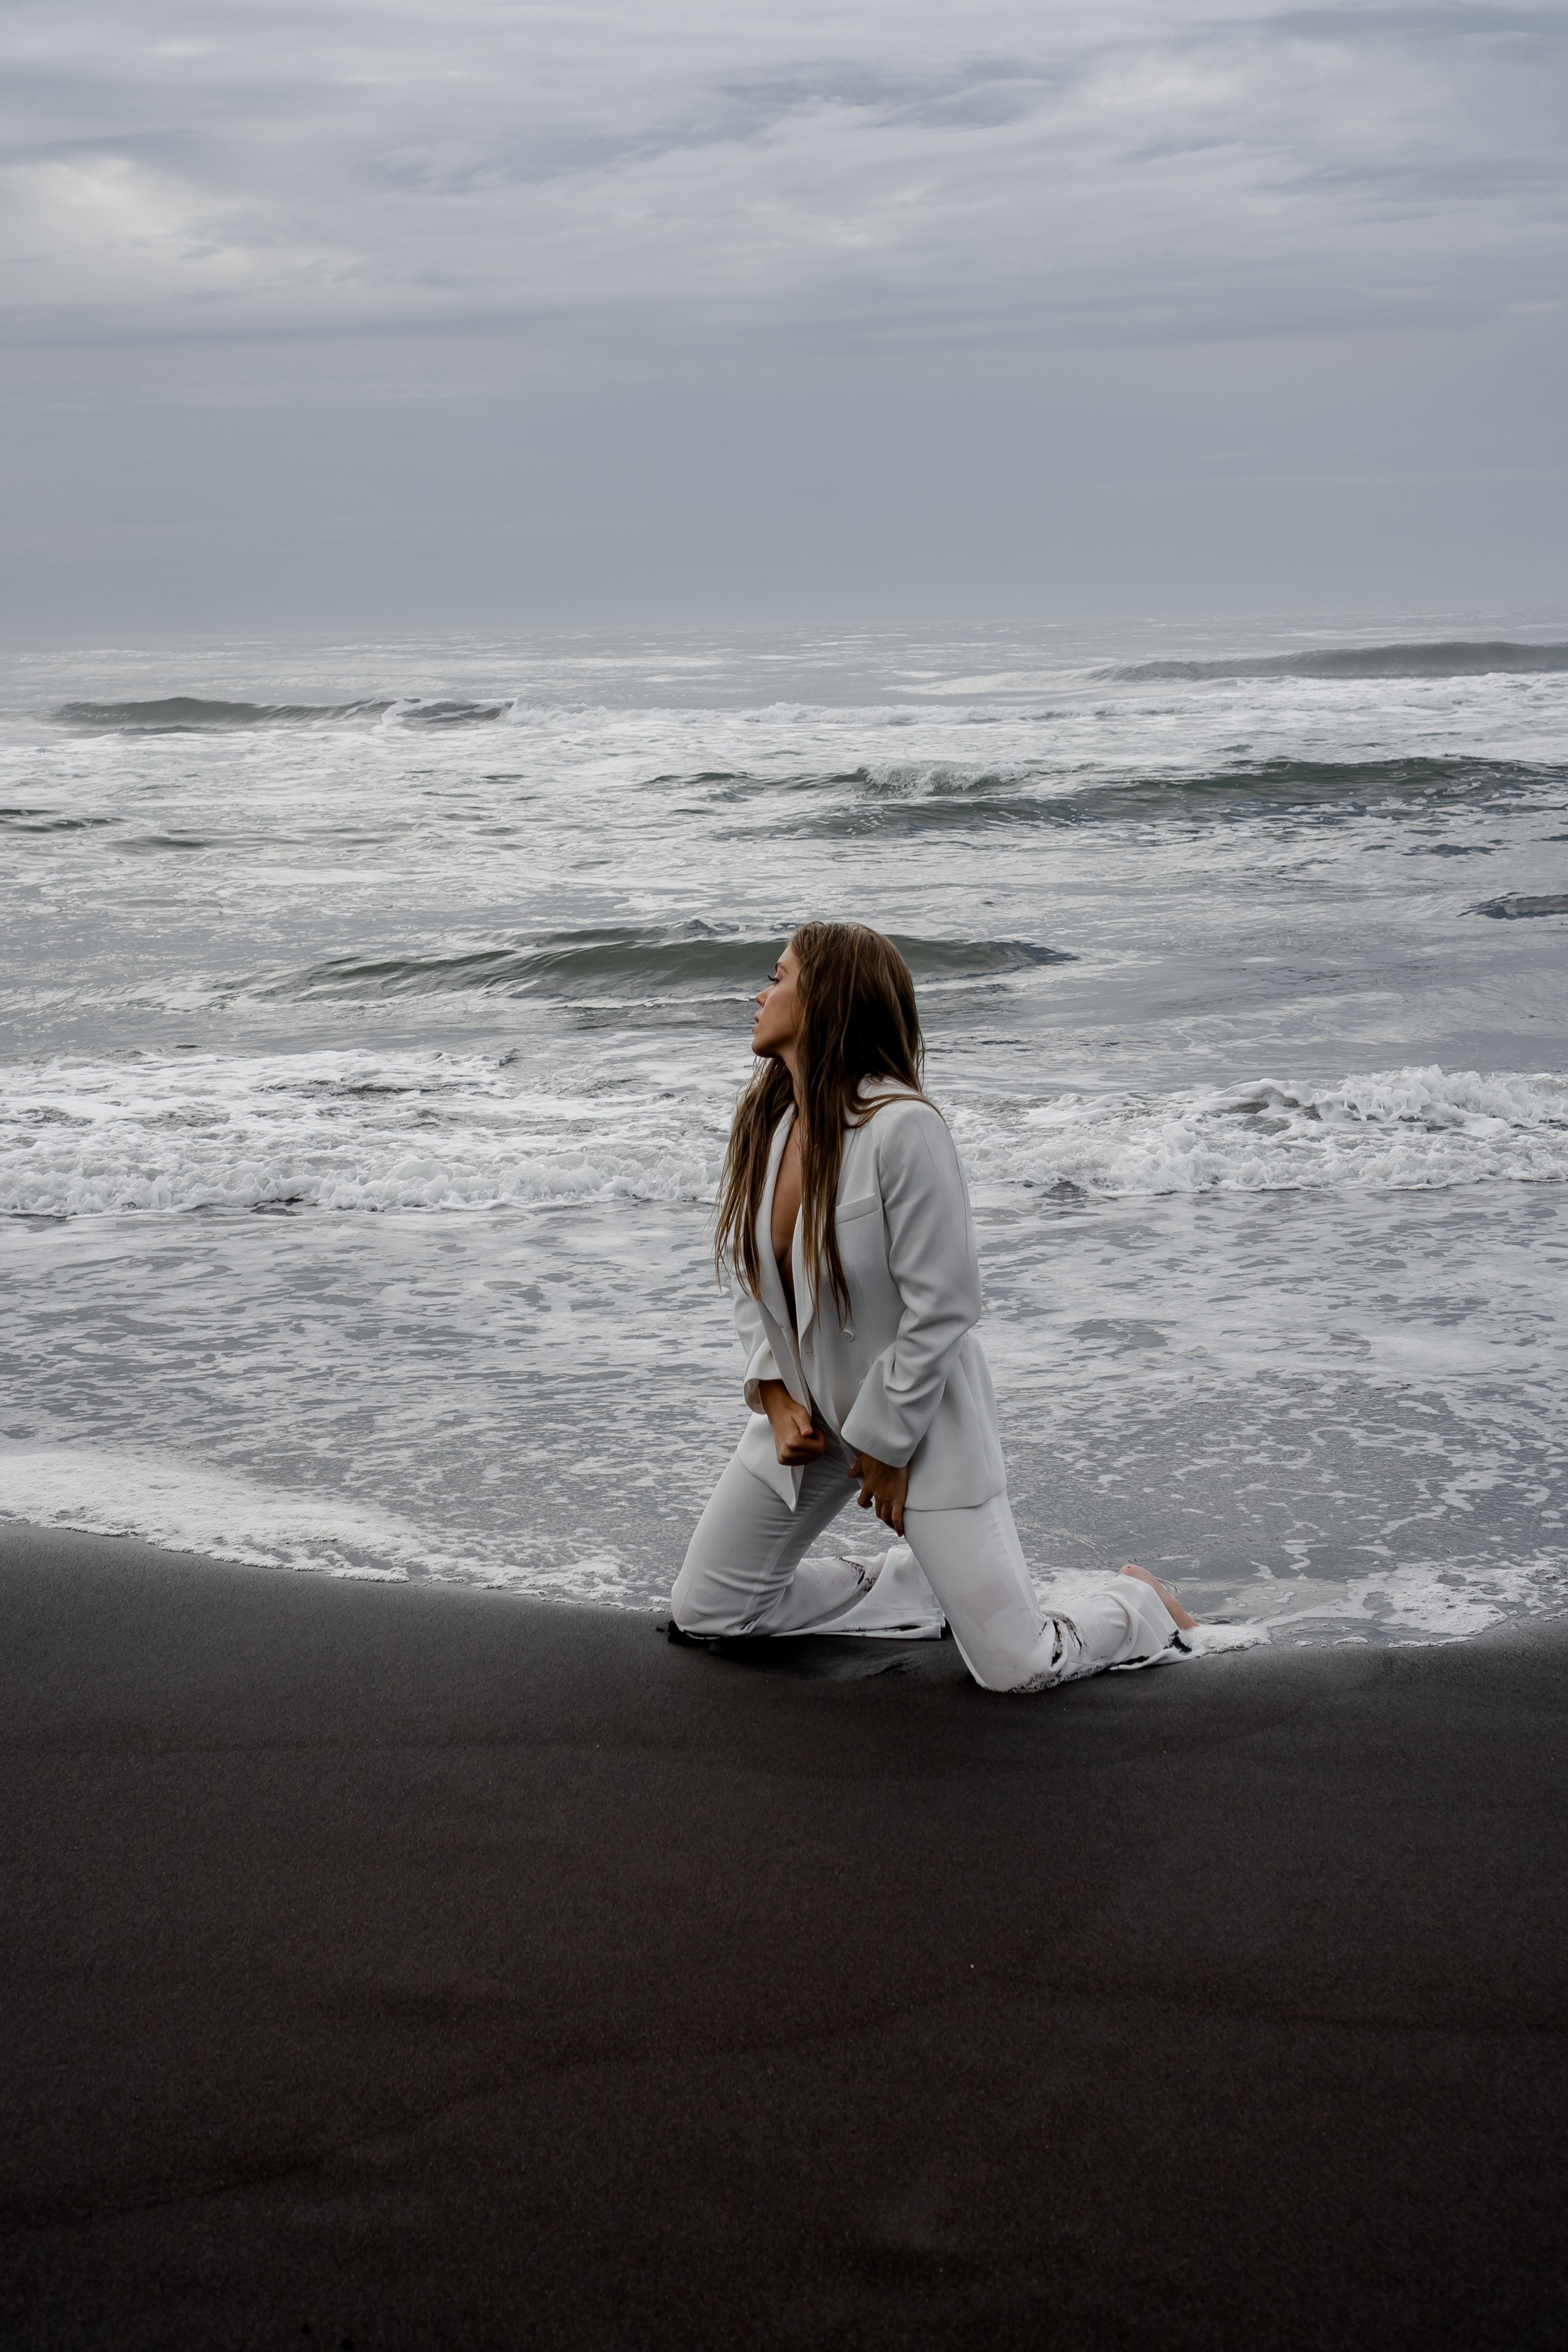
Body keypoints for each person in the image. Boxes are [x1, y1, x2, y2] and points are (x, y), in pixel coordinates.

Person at [670, 921, 1198, 1692]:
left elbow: (945, 1306)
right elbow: (758, 1283)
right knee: (708, 1610)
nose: (759, 993)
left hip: (916, 1430)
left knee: (1017, 1668)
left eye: (777, 977)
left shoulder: (903, 1128)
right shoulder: (769, 1126)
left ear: (824, 1001)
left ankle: (1138, 1603)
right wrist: (776, 1395)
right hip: (814, 1430)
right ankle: (910, 1584)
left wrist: (884, 1445)